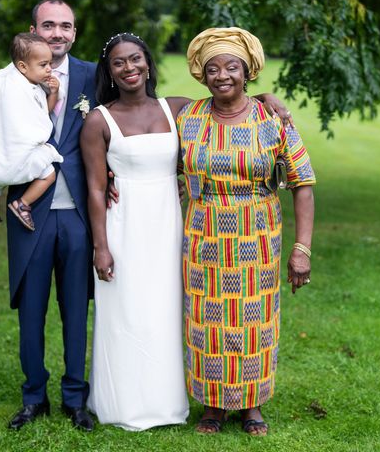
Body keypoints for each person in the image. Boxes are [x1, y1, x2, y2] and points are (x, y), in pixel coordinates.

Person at [81, 32, 296, 431]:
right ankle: (124, 400)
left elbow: (228, 100)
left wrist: (268, 99)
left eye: (136, 59)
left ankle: (173, 400)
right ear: (108, 72)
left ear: (149, 63)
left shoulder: (177, 109)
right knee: (127, 310)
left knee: (169, 310)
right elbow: (95, 186)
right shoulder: (100, 118)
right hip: (125, 224)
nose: (129, 68)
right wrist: (101, 247)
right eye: (118, 63)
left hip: (172, 224)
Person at [178, 27, 316, 436]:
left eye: (232, 67)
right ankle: (213, 405)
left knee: (253, 319)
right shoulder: (188, 117)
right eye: (213, 68)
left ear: (247, 71)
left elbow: (302, 183)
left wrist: (301, 248)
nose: (222, 76)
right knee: (206, 319)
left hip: (256, 235)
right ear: (202, 76)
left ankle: (252, 404)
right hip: (202, 237)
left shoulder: (272, 119)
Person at [5, 0, 96, 432]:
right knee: (31, 309)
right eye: (48, 25)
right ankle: (33, 397)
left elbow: (143, 102)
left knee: (76, 308)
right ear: (33, 30)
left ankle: (75, 398)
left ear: (74, 33)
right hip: (30, 211)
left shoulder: (92, 76)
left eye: (66, 26)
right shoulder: (11, 81)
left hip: (78, 213)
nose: (57, 33)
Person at [0, 33, 62, 231]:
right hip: (15, 152)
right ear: (23, 67)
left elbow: (39, 113)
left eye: (50, 63)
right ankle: (23, 204)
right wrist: (53, 96)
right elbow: (43, 117)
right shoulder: (21, 90)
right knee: (49, 173)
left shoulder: (17, 82)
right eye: (43, 65)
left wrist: (52, 92)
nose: (49, 69)